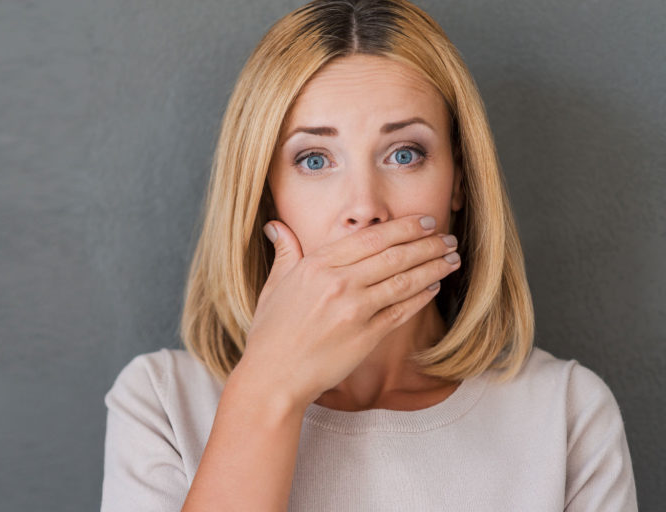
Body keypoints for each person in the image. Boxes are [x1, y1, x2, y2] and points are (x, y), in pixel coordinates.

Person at [100, 0, 639, 510]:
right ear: (265, 195)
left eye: (404, 154)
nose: (364, 208)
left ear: (459, 183)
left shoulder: (565, 414)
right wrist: (268, 391)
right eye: (314, 159)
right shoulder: (163, 404)